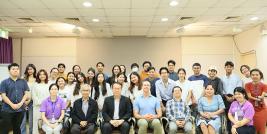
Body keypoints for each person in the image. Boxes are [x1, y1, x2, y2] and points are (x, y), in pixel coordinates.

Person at [0, 63, 29, 134]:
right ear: (9, 70)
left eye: (17, 69)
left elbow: (26, 94)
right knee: (5, 128)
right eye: (13, 69)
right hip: (7, 110)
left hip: (20, 110)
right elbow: (3, 95)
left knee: (17, 128)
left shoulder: (23, 82)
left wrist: (20, 104)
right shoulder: (4, 82)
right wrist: (12, 104)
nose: (15, 70)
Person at [221, 61, 242, 132]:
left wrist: (234, 97)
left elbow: (239, 88)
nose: (228, 68)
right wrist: (226, 97)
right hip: (226, 98)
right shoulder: (222, 78)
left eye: (230, 67)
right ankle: (229, 131)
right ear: (225, 68)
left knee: (238, 116)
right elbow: (222, 89)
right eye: (227, 66)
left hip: (236, 98)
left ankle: (239, 130)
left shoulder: (237, 77)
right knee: (228, 116)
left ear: (232, 68)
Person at [245, 68, 267, 134]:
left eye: (257, 75)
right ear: (250, 76)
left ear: (260, 76)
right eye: (253, 75)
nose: (254, 76)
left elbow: (263, 95)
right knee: (252, 127)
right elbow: (248, 96)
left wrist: (260, 97)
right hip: (250, 108)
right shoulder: (247, 85)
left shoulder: (264, 85)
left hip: (261, 109)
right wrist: (257, 99)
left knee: (261, 127)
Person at [31, 69, 50, 134]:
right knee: (36, 123)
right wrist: (41, 103)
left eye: (43, 74)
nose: (42, 76)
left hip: (47, 107)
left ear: (46, 75)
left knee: (46, 122)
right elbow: (34, 96)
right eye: (40, 74)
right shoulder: (35, 84)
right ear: (38, 76)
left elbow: (51, 95)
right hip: (37, 107)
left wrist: (46, 104)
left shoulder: (49, 84)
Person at [21, 64, 36, 134]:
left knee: (31, 120)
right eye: (28, 69)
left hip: (33, 101)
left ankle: (31, 132)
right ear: (27, 70)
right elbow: (20, 90)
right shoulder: (23, 79)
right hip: (23, 101)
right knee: (23, 120)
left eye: (31, 69)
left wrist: (30, 99)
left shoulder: (37, 79)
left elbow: (35, 91)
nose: (30, 70)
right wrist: (24, 100)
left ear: (34, 70)